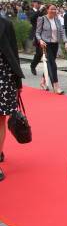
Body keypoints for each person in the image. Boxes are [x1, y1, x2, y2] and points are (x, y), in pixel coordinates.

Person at [0, 17, 24, 182]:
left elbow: (13, 52)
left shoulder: (5, 24)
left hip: (3, 75)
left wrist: (18, 81)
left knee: (0, 118)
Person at [35, 3, 67, 94]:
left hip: (55, 44)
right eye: (52, 9)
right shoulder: (42, 19)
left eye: (55, 9)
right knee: (53, 65)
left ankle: (43, 82)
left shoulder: (57, 19)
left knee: (49, 64)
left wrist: (66, 42)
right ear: (47, 9)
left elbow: (62, 32)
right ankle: (56, 86)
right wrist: (40, 40)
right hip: (45, 45)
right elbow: (37, 33)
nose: (54, 11)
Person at [28, 0, 44, 75]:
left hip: (44, 33)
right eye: (38, 3)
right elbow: (32, 18)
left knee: (47, 53)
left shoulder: (41, 11)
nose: (39, 4)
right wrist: (39, 11)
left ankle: (49, 70)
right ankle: (33, 65)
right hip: (36, 34)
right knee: (39, 53)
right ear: (34, 3)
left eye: (40, 3)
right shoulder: (31, 11)